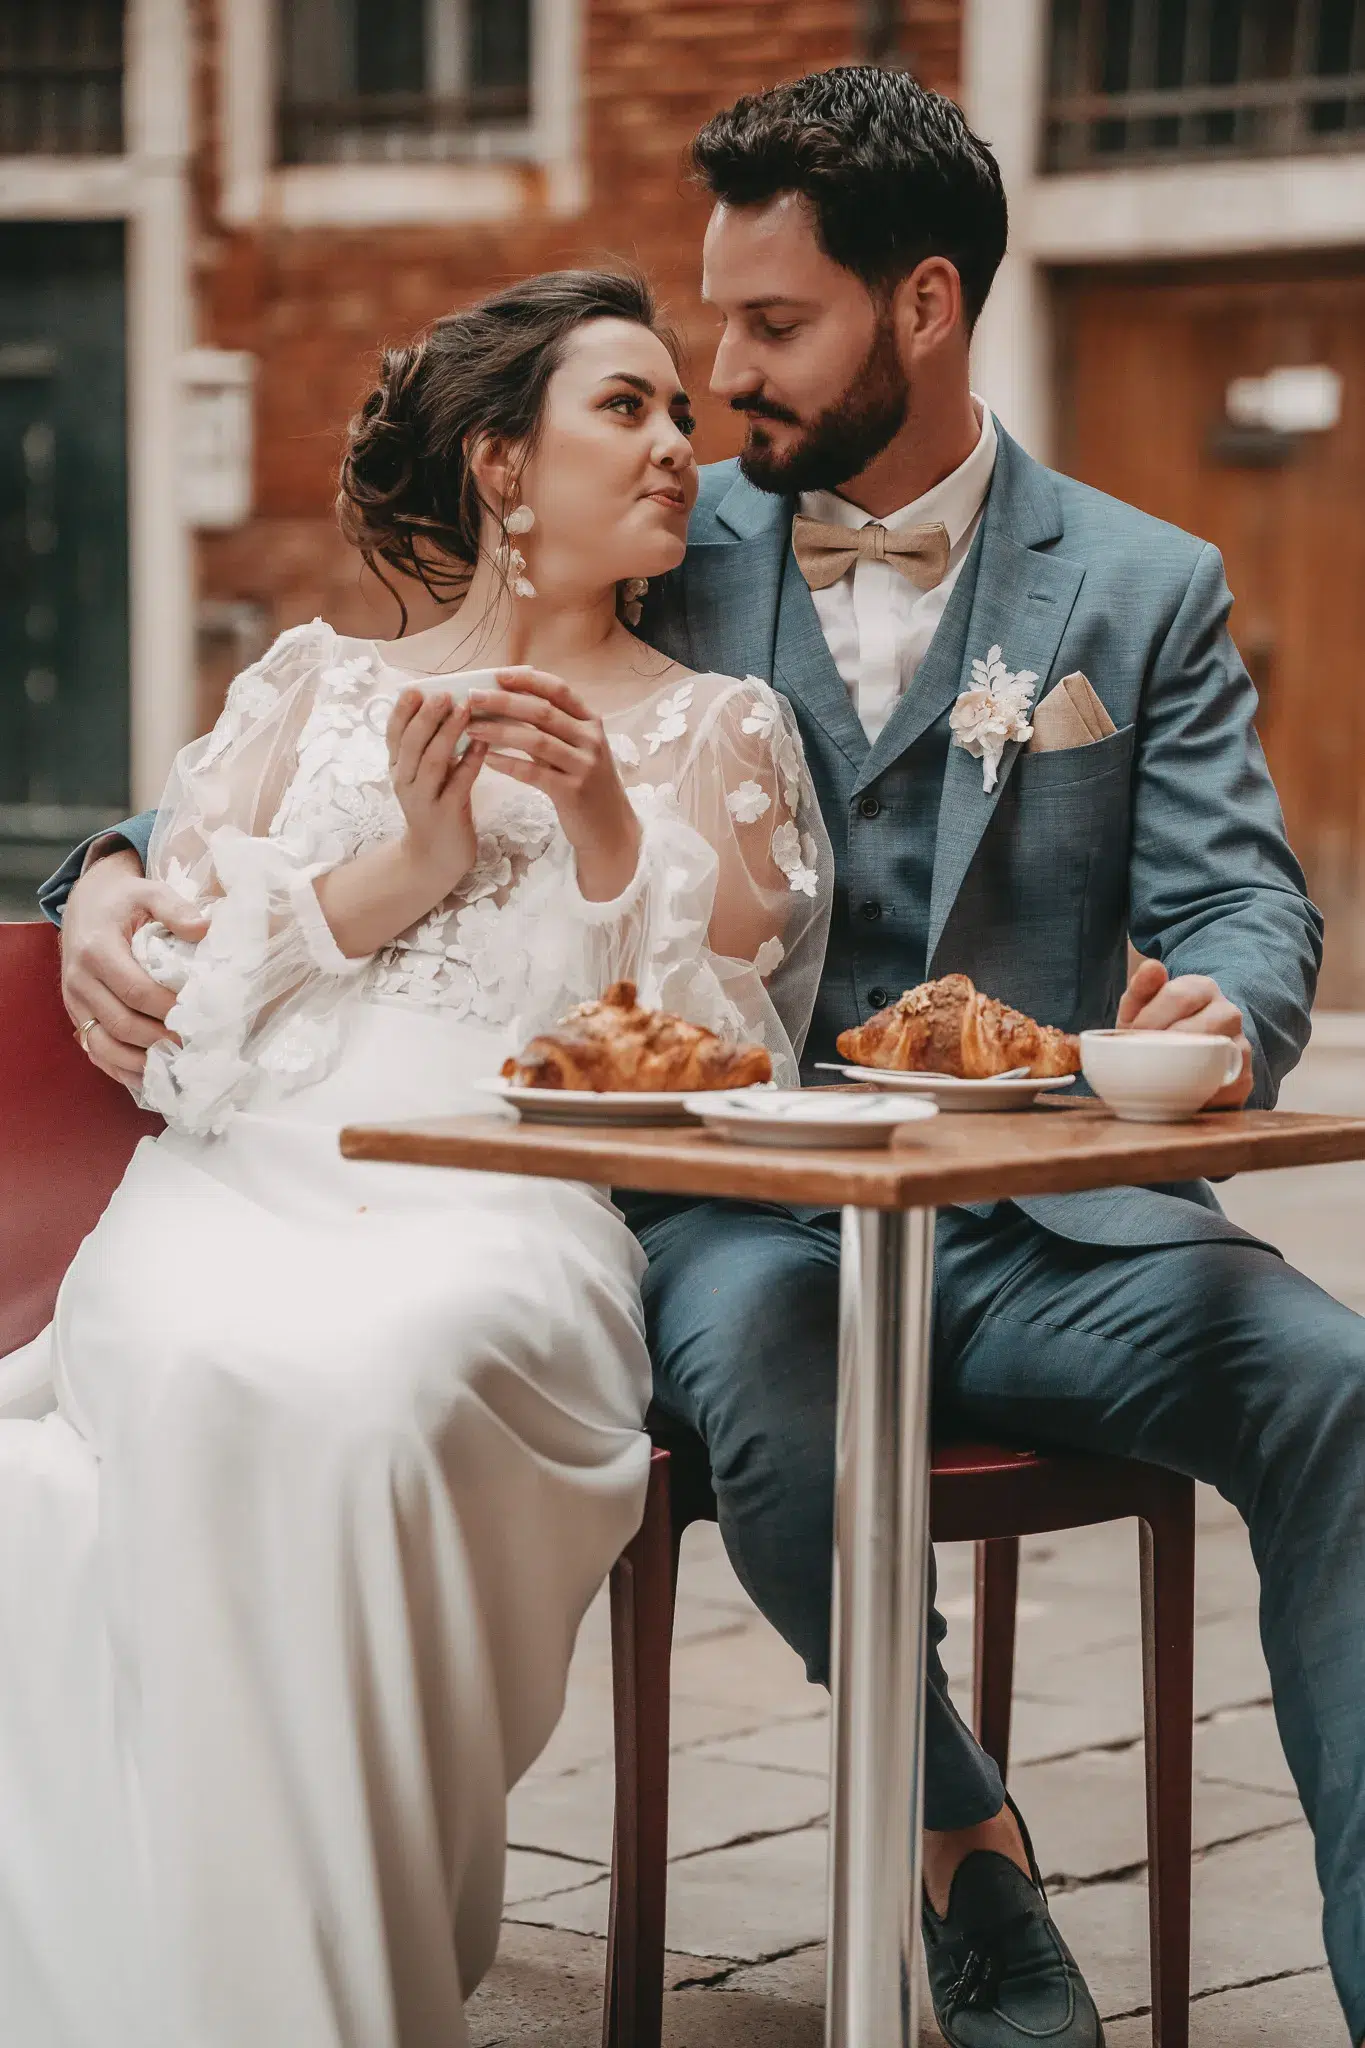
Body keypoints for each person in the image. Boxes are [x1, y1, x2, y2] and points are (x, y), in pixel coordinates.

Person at [43, 67, 1365, 2048]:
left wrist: (1220, 1011)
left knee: (1336, 1386)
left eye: (767, 327)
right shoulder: (666, 524)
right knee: (757, 1355)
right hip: (740, 1217)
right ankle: (957, 1842)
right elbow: (310, 742)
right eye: (696, 331)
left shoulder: (1139, 587)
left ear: (919, 309)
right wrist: (101, 875)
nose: (715, 377)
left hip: (1044, 1227)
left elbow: (1247, 907)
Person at [0, 268, 832, 2048]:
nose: (682, 444)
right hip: (234, 1177)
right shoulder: (309, 689)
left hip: (502, 1205)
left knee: (376, 1396)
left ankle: (321, 1973)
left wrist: (609, 821)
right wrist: (405, 869)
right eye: (629, 406)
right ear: (499, 465)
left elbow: (731, 1065)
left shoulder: (718, 730)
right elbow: (186, 1026)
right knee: (207, 1375)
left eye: (682, 411)